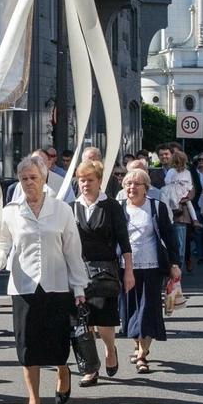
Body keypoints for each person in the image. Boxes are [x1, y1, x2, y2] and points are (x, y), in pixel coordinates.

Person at [0, 155, 89, 404]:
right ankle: (34, 399)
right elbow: (1, 245)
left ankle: (62, 370)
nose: (29, 183)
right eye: (24, 179)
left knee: (56, 340)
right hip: (24, 287)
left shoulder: (62, 209)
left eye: (34, 177)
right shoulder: (10, 211)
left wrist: (79, 288)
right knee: (26, 344)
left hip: (56, 285)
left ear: (44, 179)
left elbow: (73, 252)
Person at [72, 159, 133, 387]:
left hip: (105, 270)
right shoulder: (72, 207)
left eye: (90, 180)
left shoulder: (111, 206)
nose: (85, 184)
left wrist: (129, 271)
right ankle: (90, 367)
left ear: (99, 181)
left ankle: (110, 349)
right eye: (81, 180)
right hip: (78, 271)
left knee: (104, 320)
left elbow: (123, 240)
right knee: (83, 320)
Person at [118, 169, 181, 374]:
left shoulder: (156, 207)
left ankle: (142, 355)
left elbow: (170, 238)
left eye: (137, 184)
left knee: (148, 311)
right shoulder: (118, 209)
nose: (132, 188)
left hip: (152, 267)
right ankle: (137, 345)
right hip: (125, 268)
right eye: (128, 184)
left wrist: (173, 263)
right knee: (129, 312)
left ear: (146, 188)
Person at [162, 150, 197, 268]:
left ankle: (178, 269)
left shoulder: (186, 172)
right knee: (174, 243)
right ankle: (174, 267)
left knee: (180, 244)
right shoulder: (176, 172)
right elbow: (167, 183)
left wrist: (186, 196)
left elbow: (191, 188)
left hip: (182, 211)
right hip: (173, 208)